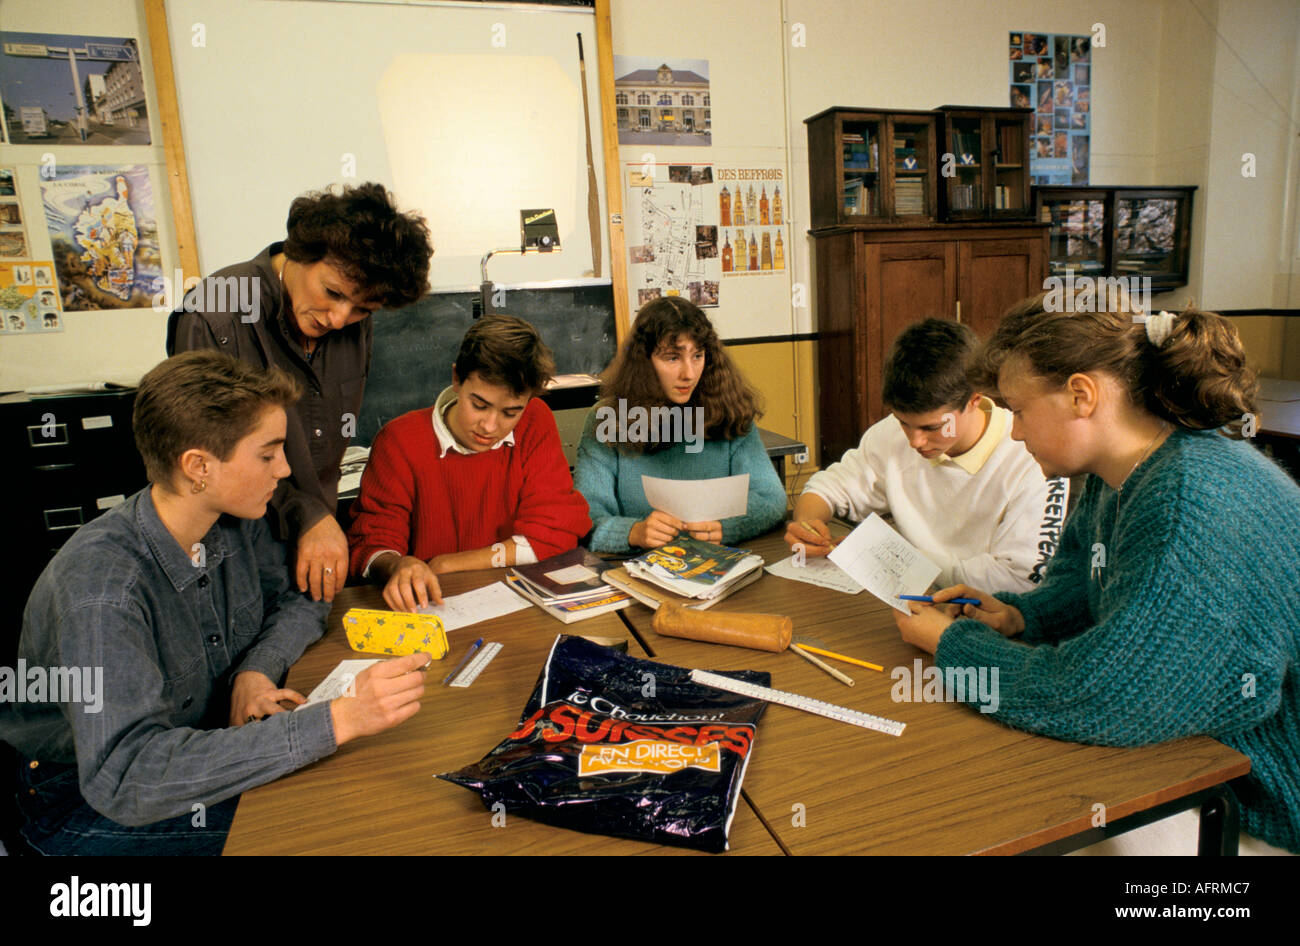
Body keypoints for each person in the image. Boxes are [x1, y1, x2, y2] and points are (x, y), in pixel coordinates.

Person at [894, 293, 1300, 855]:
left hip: (1261, 799)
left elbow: (1101, 696)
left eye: (1020, 409)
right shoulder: (1126, 469)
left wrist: (954, 646)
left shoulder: (1189, 498)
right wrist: (1018, 618)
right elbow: (1088, 584)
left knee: (1032, 815)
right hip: (1204, 751)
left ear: (1081, 395)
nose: (1013, 433)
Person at [0, 351, 428, 855]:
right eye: (267, 455)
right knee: (328, 827)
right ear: (199, 467)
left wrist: (257, 670)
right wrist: (338, 719)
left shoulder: (233, 521)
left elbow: (303, 596)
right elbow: (128, 776)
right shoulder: (101, 589)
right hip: (82, 797)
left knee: (355, 794)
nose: (285, 468)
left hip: (196, 744)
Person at [167, 182, 433, 604]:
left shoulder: (351, 317)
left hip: (315, 550)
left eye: (363, 309)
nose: (339, 318)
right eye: (333, 293)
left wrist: (319, 520)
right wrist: (307, 514)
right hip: (231, 559)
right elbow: (208, 466)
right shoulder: (214, 314)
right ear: (299, 252)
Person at [786, 318, 1066, 593]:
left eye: (932, 427)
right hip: (910, 598)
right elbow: (829, 487)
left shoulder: (1032, 458)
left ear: (975, 399)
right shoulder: (890, 436)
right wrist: (807, 523)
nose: (915, 441)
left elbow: (1017, 581)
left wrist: (899, 561)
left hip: (987, 617)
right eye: (902, 422)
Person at [348, 315, 591, 612]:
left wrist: (449, 563)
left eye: (510, 412)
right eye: (479, 405)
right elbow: (370, 542)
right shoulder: (398, 440)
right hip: (428, 606)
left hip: (515, 604)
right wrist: (398, 565)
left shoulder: (535, 420)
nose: (490, 426)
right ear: (456, 379)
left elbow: (556, 533)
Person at [574, 296, 787, 552]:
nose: (689, 373)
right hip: (638, 571)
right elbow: (586, 518)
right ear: (644, 362)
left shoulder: (728, 410)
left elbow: (772, 499)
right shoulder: (608, 419)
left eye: (697, 355)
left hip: (716, 565)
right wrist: (633, 532)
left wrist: (727, 527)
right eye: (673, 358)